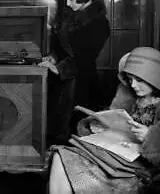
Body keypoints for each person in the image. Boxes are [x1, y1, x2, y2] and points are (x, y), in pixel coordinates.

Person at [48, 46, 160, 194]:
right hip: (116, 152)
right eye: (130, 80)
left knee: (66, 166)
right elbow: (116, 117)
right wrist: (99, 123)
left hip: (137, 165)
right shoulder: (129, 96)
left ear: (154, 77)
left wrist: (149, 136)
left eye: (139, 80)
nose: (133, 85)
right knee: (60, 156)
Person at [39, 0, 110, 145]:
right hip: (62, 82)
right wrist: (54, 57)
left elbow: (85, 58)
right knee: (55, 129)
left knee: (75, 130)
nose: (68, 4)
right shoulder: (72, 13)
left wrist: (58, 68)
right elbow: (60, 45)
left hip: (82, 82)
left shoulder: (99, 24)